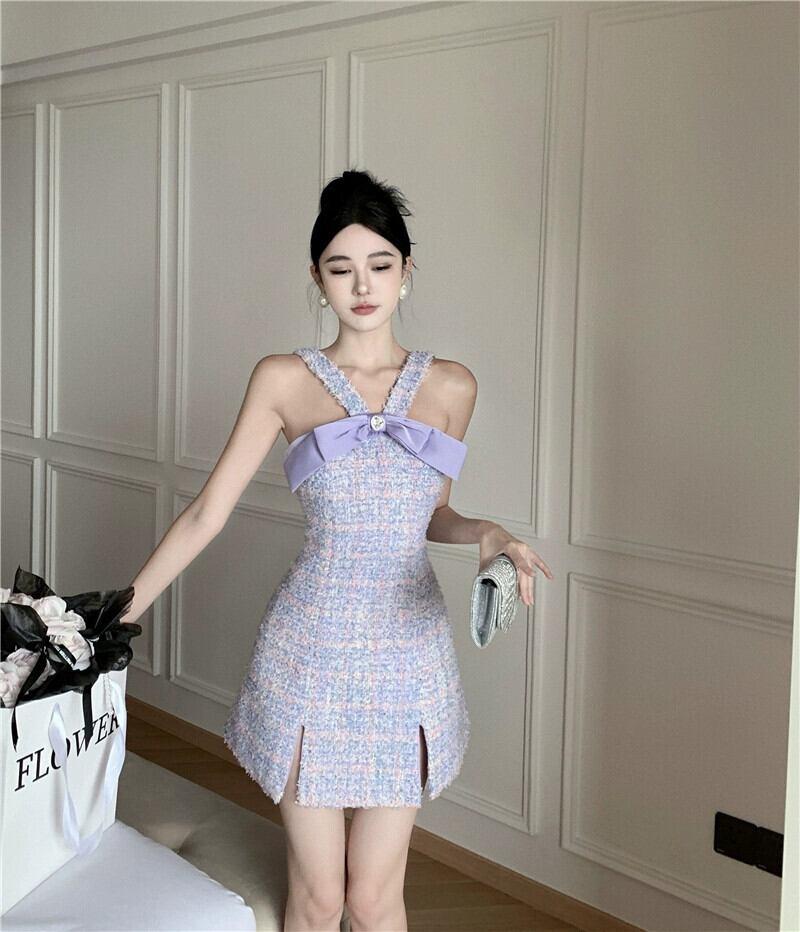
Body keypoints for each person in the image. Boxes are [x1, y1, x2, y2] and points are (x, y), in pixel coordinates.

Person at [122, 168, 554, 932]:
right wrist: (116, 616)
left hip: (407, 652)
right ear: (317, 278)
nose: (362, 286)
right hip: (310, 648)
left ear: (406, 272)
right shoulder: (282, 379)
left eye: (380, 265)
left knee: (374, 899)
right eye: (341, 267)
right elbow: (206, 515)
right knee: (319, 899)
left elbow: (431, 514)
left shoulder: (452, 387)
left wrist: (485, 531)